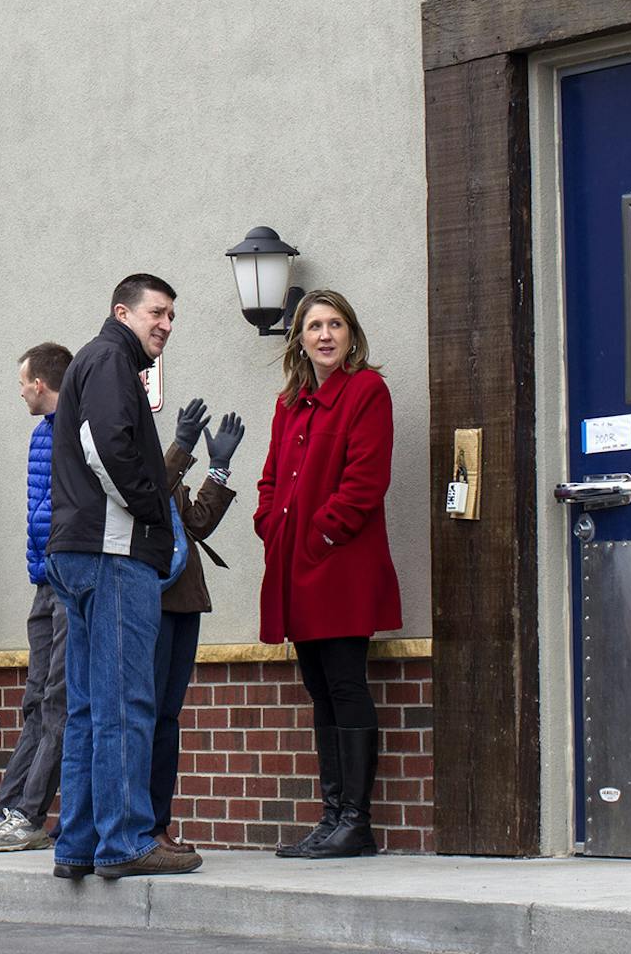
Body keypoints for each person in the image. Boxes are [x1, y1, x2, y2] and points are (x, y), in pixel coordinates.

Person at [48, 273, 202, 880]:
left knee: (89, 707)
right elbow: (105, 446)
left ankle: (79, 845)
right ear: (122, 312)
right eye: (156, 313)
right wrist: (151, 513)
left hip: (81, 555)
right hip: (113, 557)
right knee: (126, 702)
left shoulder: (95, 361)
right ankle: (126, 840)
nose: (165, 324)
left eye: (171, 316)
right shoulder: (111, 358)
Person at [254, 289, 402, 859]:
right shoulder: (289, 403)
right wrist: (270, 524)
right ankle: (332, 815)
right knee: (319, 690)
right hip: (296, 568)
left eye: (335, 324)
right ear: (300, 339)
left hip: (339, 566)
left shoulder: (367, 391)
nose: (325, 335)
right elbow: (271, 479)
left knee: (345, 684)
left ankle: (355, 822)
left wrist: (320, 534)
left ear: (351, 334)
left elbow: (366, 480)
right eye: (314, 326)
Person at [0, 341, 74, 854]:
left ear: (40, 384)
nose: (20, 391)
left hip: (69, 579)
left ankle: (28, 816)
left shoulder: (76, 429)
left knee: (58, 701)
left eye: (22, 382)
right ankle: (5, 810)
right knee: (34, 702)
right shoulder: (43, 432)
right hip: (44, 581)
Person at [150, 405, 242, 854]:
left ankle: (157, 826)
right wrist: (182, 447)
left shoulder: (167, 469)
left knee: (167, 717)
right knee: (144, 719)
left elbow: (196, 521)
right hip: (149, 605)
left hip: (184, 605)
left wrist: (220, 467)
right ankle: (142, 826)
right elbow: (147, 497)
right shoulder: (141, 465)